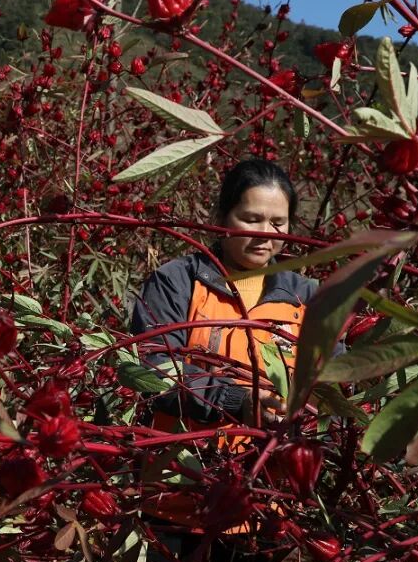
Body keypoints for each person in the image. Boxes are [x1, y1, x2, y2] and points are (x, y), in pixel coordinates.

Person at [128, 159, 314, 535]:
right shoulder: (177, 281)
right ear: (222, 217)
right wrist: (237, 401)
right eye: (251, 219)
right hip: (177, 498)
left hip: (266, 507)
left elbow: (336, 385)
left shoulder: (306, 296)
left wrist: (306, 416)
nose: (266, 234)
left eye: (278, 223)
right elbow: (153, 372)